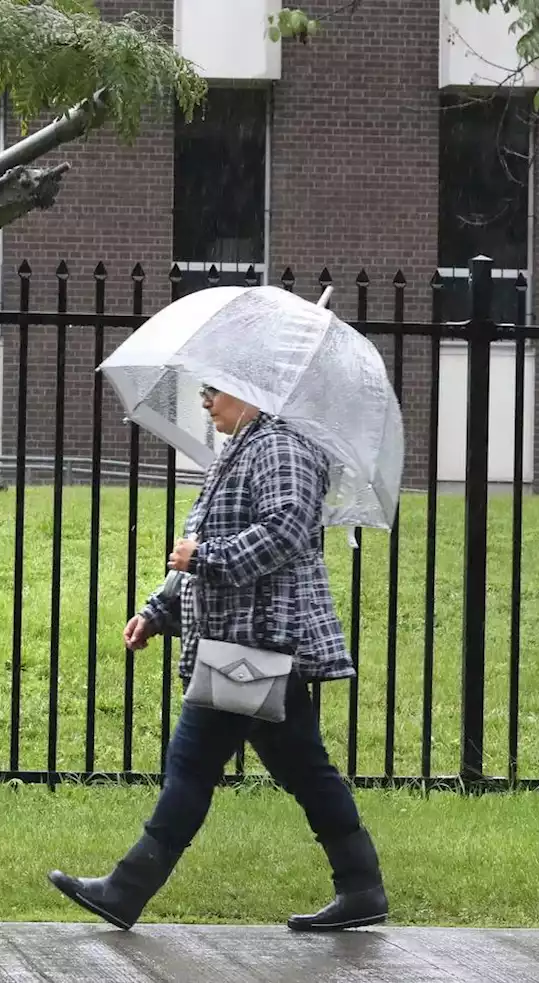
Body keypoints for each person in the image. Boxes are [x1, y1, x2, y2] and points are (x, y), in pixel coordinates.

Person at [48, 384, 388, 933]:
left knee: (193, 762)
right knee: (303, 769)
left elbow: (284, 532)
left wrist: (204, 556)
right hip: (238, 638)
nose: (204, 402)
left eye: (213, 392)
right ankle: (361, 887)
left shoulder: (281, 448)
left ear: (251, 394)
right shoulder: (242, 447)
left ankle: (125, 890)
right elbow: (204, 541)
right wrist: (157, 610)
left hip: (256, 640)